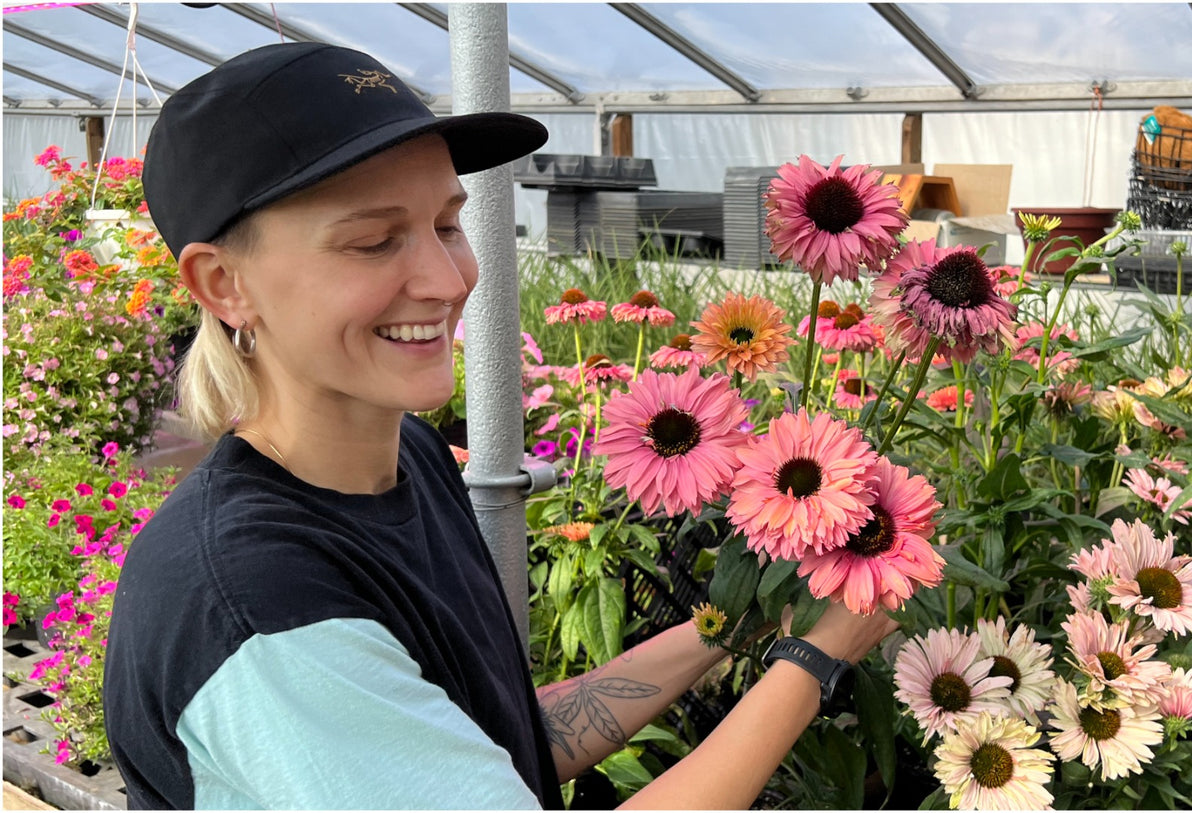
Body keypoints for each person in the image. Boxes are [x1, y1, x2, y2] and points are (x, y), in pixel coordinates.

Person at [103, 42, 897, 810]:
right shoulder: (258, 607)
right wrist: (813, 656)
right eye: (375, 241)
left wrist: (729, 627)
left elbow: (495, 749)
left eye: (448, 224)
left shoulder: (406, 460)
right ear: (222, 282)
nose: (448, 279)